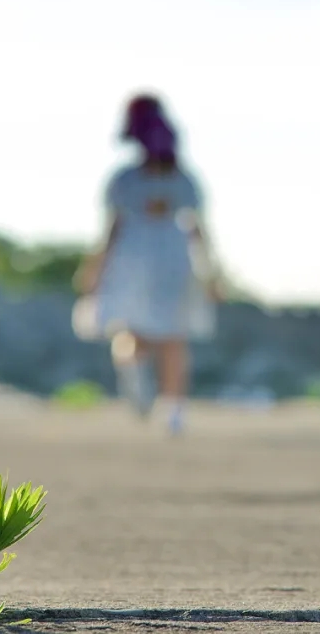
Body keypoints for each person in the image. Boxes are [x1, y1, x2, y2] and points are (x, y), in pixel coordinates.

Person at [72, 94, 223, 436]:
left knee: (145, 334)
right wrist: (212, 273)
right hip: (165, 260)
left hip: (140, 260)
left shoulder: (128, 180)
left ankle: (152, 395)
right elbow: (197, 231)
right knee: (171, 338)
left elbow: (113, 229)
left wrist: (95, 268)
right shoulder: (175, 179)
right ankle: (171, 408)